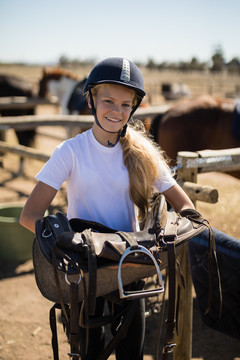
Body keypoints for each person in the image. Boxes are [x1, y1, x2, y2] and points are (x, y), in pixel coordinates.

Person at [20, 57, 195, 359]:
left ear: (134, 108)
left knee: (133, 354)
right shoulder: (70, 152)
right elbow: (29, 215)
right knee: (90, 353)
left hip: (129, 268)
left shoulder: (143, 153)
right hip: (87, 272)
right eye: (108, 101)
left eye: (126, 105)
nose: (117, 111)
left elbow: (186, 207)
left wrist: (167, 232)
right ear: (91, 100)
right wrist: (64, 244)